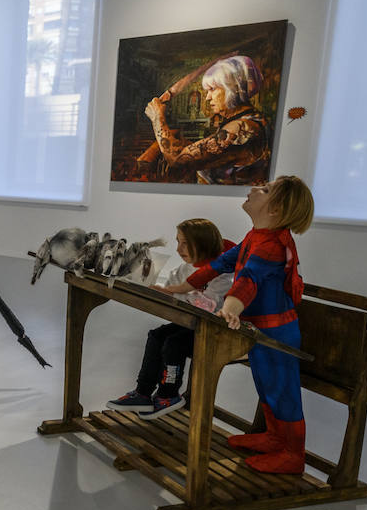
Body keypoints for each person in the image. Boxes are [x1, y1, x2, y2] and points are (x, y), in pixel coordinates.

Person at [159, 175, 315, 474]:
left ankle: (293, 454)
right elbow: (216, 266)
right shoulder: (255, 237)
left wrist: (230, 308)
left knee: (282, 391)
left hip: (276, 332)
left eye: (266, 190)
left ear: (276, 209)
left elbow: (248, 280)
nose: (256, 188)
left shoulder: (271, 246)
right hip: (258, 329)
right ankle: (273, 437)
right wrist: (174, 289)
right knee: (266, 386)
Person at [106, 218, 236, 419]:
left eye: (185, 243)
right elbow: (176, 295)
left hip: (214, 332)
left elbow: (209, 306)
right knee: (157, 336)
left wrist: (176, 294)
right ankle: (143, 392)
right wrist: (162, 293)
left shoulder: (222, 275)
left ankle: (169, 394)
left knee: (173, 344)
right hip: (189, 325)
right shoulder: (183, 270)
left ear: (203, 243)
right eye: (178, 242)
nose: (178, 249)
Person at [145, 55, 271, 185]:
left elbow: (177, 162)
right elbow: (208, 153)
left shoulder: (242, 128)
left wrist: (157, 118)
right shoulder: (249, 119)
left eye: (212, 89)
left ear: (232, 89)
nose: (207, 98)